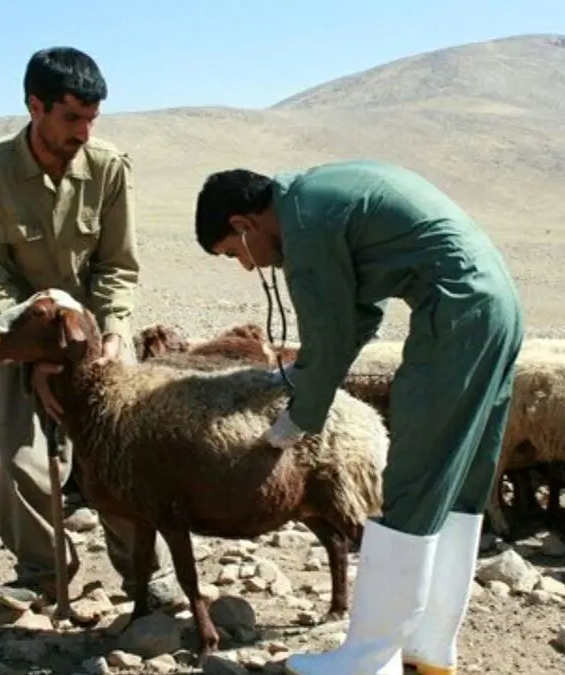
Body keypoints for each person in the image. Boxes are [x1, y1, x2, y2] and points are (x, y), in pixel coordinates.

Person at [193, 160, 524, 675]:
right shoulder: (319, 196)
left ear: (244, 223)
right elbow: (357, 317)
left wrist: (296, 419)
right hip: (497, 304)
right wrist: (308, 372)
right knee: (459, 482)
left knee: (413, 478)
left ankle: (368, 659)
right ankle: (430, 647)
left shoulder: (304, 225)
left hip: (456, 313)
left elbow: (328, 328)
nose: (247, 265)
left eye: (237, 254)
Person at [0, 46, 184, 613]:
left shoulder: (107, 167)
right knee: (21, 458)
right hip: (22, 336)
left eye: (92, 120)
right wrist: (34, 359)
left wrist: (112, 336)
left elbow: (117, 265)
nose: (83, 132)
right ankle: (41, 572)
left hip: (98, 337)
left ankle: (142, 575)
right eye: (71, 118)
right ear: (34, 106)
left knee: (122, 456)